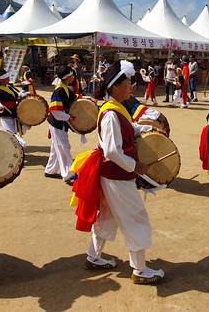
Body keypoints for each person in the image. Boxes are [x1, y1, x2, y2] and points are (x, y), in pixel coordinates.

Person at [72, 60, 164, 284]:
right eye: (128, 83)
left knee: (107, 216)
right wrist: (135, 166)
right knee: (135, 217)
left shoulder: (115, 108)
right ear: (115, 88)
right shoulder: (112, 113)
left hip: (111, 174)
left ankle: (93, 257)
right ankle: (140, 270)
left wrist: (145, 127)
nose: (132, 87)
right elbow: (113, 150)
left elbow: (127, 129)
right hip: (117, 175)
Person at [44, 65, 77, 183]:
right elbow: (54, 110)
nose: (73, 77)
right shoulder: (60, 90)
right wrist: (68, 117)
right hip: (57, 122)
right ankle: (68, 175)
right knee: (63, 147)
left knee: (56, 146)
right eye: (72, 75)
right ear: (68, 77)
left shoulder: (66, 89)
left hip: (60, 122)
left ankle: (50, 170)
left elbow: (76, 100)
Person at [0, 70, 27, 136]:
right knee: (8, 133)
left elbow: (18, 94)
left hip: (13, 112)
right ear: (1, 80)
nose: (9, 79)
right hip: (5, 114)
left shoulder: (9, 87)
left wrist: (27, 94)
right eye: (7, 78)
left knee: (13, 132)